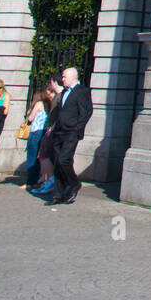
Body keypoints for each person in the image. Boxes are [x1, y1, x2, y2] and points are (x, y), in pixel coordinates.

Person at [45, 66, 92, 204]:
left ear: (73, 77)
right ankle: (58, 194)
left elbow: (86, 112)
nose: (62, 79)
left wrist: (77, 129)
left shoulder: (82, 91)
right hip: (59, 131)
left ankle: (74, 183)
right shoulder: (65, 91)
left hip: (71, 132)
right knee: (57, 162)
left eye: (64, 77)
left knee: (63, 160)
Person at [22, 85, 53, 189]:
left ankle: (30, 182)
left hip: (35, 132)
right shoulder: (49, 105)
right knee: (40, 157)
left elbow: (30, 118)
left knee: (32, 157)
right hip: (44, 132)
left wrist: (29, 113)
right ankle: (40, 179)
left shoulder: (39, 104)